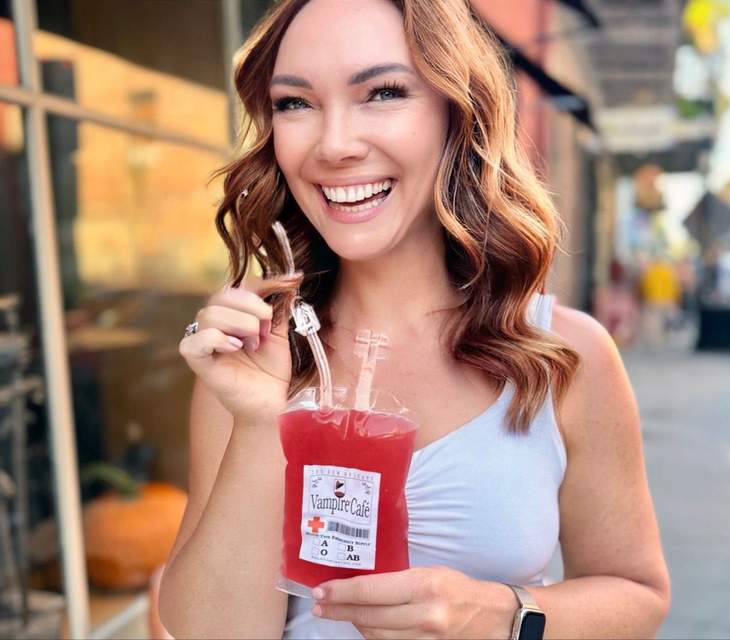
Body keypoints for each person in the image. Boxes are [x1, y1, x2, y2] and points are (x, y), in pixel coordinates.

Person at [158, 0, 671, 638]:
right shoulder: (252, 356)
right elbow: (209, 632)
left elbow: (638, 597)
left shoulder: (562, 353)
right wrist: (262, 423)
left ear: (457, 115)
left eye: (383, 92)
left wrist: (502, 616)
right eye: (295, 103)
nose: (335, 144)